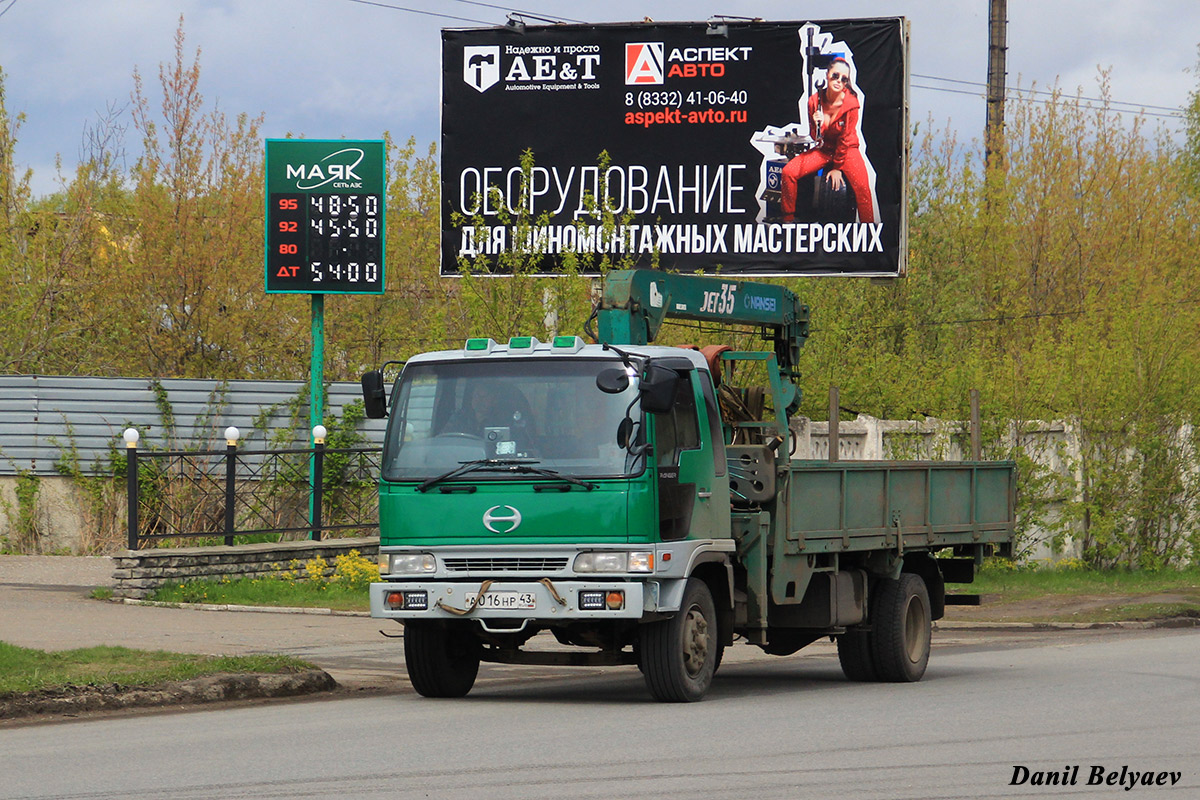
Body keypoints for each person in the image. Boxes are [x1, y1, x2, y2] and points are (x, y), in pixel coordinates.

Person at [780, 58, 877, 223]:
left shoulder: (851, 104)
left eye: (844, 79)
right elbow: (815, 137)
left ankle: (868, 232)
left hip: (847, 151)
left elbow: (845, 139)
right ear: (827, 75)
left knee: (863, 189)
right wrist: (819, 124)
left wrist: (838, 168)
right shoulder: (813, 101)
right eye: (835, 76)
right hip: (824, 150)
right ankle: (787, 220)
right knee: (788, 172)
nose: (839, 81)